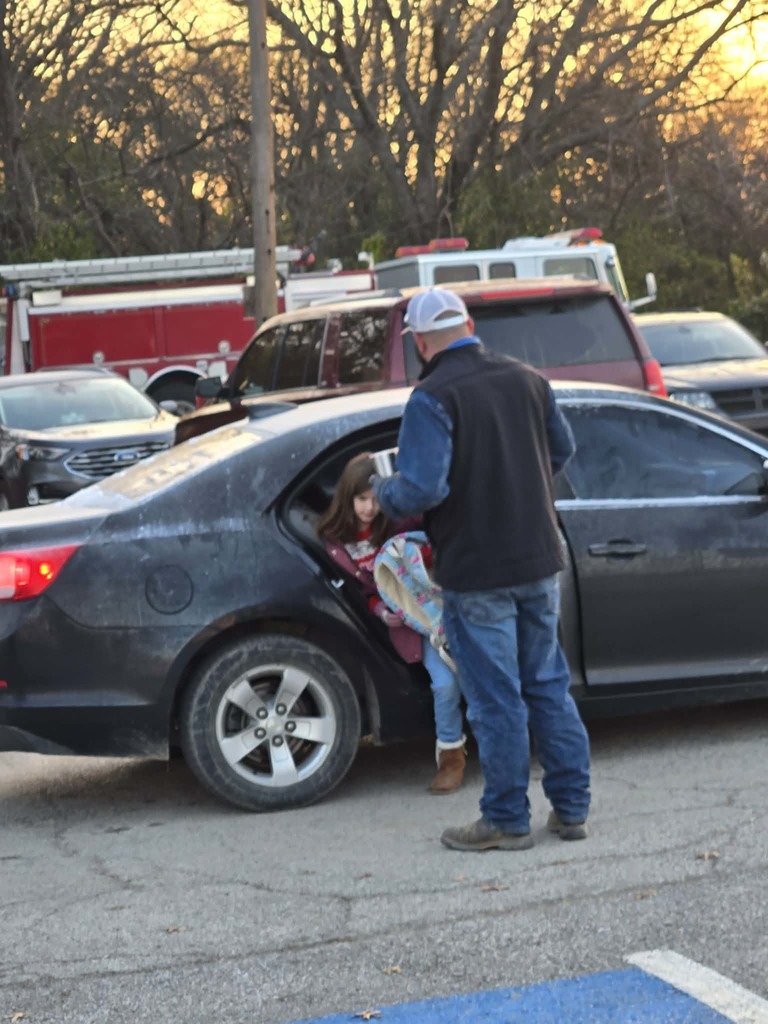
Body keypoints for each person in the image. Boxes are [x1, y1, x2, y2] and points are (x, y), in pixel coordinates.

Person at [373, 287, 591, 851]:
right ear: (469, 323)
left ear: (420, 343)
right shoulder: (528, 379)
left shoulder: (431, 398)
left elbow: (423, 487)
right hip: (540, 558)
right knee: (548, 684)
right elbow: (561, 451)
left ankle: (505, 819)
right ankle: (571, 810)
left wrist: (383, 490)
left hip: (476, 569)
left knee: (496, 698)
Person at [317, 453, 467, 793]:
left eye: (375, 499)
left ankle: (497, 749)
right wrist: (383, 614)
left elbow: (432, 550)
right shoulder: (338, 543)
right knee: (444, 686)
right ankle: (451, 757)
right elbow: (365, 592)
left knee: (475, 679)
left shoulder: (403, 522)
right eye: (361, 499)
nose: (369, 508)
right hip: (414, 624)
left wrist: (419, 555)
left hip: (446, 605)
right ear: (347, 498)